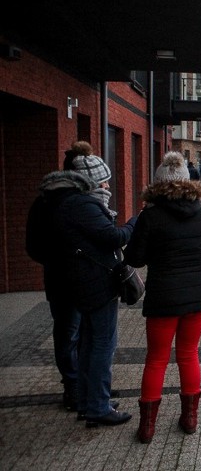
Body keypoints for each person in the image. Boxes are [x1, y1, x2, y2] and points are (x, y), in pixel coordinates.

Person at [123, 152, 201, 443]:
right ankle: (190, 419)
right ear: (186, 181)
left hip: (163, 297)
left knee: (156, 359)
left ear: (159, 183)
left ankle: (147, 427)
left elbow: (135, 259)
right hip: (199, 296)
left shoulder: (149, 217)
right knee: (188, 354)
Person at [49, 153, 135, 427]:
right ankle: (98, 407)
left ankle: (89, 402)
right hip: (96, 284)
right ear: (91, 182)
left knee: (88, 344)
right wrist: (134, 222)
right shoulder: (83, 205)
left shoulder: (69, 203)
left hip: (85, 283)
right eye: (105, 182)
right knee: (102, 345)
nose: (108, 187)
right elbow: (113, 237)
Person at [26, 140, 94, 411]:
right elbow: (35, 246)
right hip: (67, 281)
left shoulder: (76, 201)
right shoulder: (48, 203)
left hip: (78, 280)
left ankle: (86, 383)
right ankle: (74, 387)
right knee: (69, 332)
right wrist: (63, 260)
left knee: (82, 332)